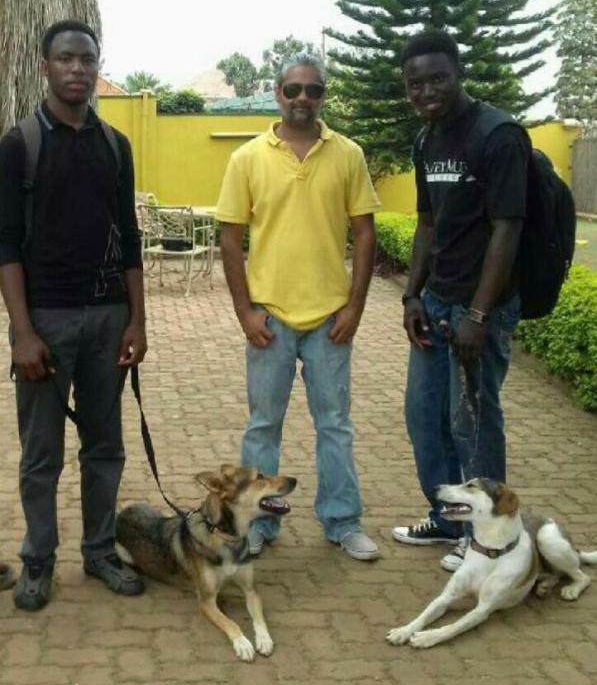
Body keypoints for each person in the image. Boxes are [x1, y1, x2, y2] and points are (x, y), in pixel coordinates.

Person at [0, 20, 147, 610]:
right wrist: (23, 332)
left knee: (105, 446)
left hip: (109, 317)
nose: (78, 69)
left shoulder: (116, 145)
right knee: (41, 453)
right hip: (47, 321)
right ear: (46, 66)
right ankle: (38, 561)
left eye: (87, 59)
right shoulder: (19, 145)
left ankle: (101, 551)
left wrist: (138, 321)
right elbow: (6, 244)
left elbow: (130, 237)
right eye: (66, 59)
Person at [216, 52, 380, 561]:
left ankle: (342, 520)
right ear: (277, 93)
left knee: (335, 424)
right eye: (293, 90)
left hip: (330, 319)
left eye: (313, 90)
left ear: (323, 96)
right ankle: (257, 526)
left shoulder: (347, 154)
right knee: (263, 426)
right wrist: (246, 312)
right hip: (271, 319)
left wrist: (354, 307)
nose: (303, 98)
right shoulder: (247, 158)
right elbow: (229, 237)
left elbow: (365, 232)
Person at [391, 31, 529, 572]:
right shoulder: (427, 140)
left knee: (472, 419)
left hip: (481, 308)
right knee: (424, 415)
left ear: (459, 73)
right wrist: (410, 295)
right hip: (437, 302)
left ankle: (488, 537)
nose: (426, 90)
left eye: (437, 77)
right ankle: (449, 519)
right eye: (415, 83)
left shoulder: (498, 135)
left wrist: (477, 313)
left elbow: (506, 230)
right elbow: (428, 223)